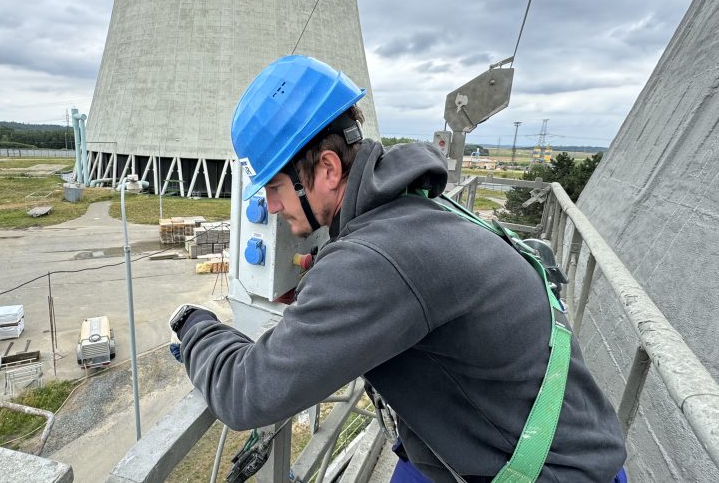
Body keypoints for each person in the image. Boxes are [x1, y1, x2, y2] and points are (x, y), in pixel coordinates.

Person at [169, 55, 626, 482]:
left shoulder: (372, 260)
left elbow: (247, 392)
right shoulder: (412, 206)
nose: (269, 206)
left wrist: (194, 326)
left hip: (540, 471)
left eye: (274, 186)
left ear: (327, 169)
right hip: (527, 442)